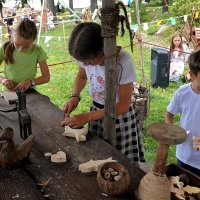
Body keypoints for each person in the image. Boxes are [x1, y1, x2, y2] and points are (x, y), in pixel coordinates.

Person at [61, 22, 145, 163]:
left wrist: (87, 117)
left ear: (102, 51)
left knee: (120, 159)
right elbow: (82, 76)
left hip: (120, 118)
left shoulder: (123, 62)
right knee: (100, 154)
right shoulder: (85, 57)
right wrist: (75, 96)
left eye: (88, 62)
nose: (85, 65)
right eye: (82, 62)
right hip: (96, 111)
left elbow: (123, 106)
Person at [165, 50, 200, 176]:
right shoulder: (182, 93)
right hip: (185, 155)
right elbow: (169, 114)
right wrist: (173, 131)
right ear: (192, 75)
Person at [0, 18, 50, 91]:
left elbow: (46, 77)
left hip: (29, 92)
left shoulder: (37, 50)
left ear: (33, 41)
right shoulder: (5, 48)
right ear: (13, 35)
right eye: (17, 44)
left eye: (26, 47)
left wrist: (31, 82)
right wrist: (2, 80)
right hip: (9, 92)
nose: (20, 49)